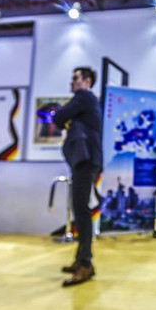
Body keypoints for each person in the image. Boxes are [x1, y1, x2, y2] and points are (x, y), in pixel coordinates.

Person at [52, 67, 102, 287]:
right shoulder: (86, 102)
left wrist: (66, 119)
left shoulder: (84, 97)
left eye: (76, 78)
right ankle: (81, 259)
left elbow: (58, 116)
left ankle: (85, 264)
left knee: (81, 211)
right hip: (84, 160)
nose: (72, 82)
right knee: (80, 210)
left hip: (85, 160)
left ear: (87, 81)